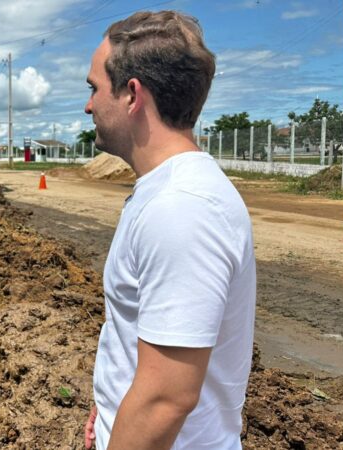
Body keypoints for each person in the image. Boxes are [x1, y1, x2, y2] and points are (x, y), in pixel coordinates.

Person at [81, 11, 256, 450]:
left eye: (94, 88)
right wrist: (108, 406)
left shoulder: (181, 208)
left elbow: (166, 399)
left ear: (132, 95)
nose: (88, 105)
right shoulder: (163, 192)